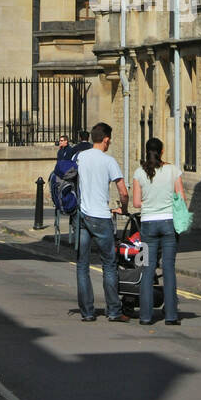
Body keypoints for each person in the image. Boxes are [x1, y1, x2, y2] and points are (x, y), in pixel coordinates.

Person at [130, 137, 187, 326]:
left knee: (147, 268)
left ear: (146, 152)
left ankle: (145, 316)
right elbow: (181, 197)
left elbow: (137, 203)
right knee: (169, 268)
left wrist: (151, 203)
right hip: (169, 223)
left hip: (147, 225)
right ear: (162, 152)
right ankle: (171, 316)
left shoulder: (139, 173)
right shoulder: (172, 170)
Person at [74, 122, 127, 322]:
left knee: (82, 265)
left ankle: (87, 312)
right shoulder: (109, 161)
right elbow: (123, 191)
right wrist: (124, 208)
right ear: (105, 139)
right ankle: (113, 311)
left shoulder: (80, 157)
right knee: (109, 265)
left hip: (82, 216)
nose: (109, 142)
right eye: (109, 140)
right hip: (102, 217)